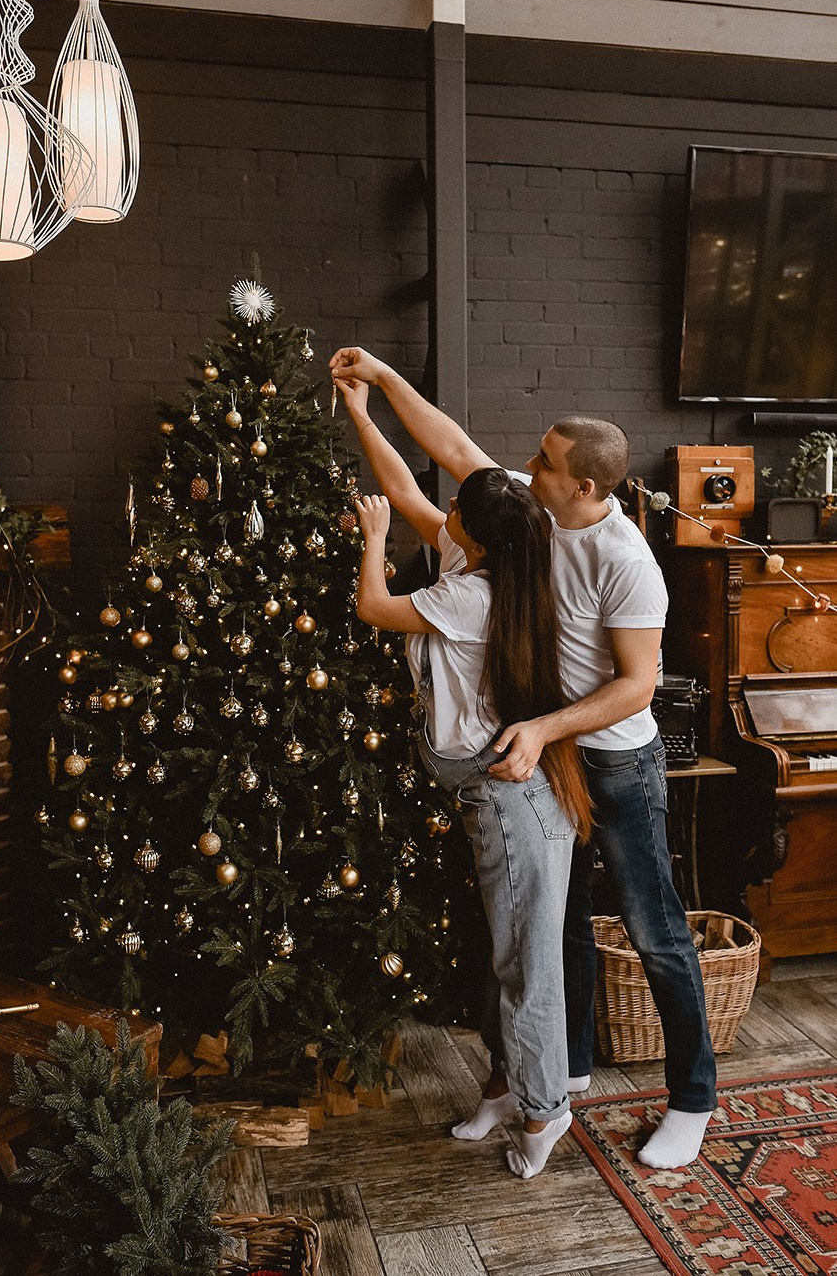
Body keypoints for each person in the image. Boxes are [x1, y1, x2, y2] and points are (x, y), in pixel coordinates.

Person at [329, 348, 718, 1171]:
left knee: (654, 933)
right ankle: (558, 1073)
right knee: (553, 925)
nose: (526, 463)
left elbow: (638, 686)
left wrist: (543, 726)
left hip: (612, 759)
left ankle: (691, 1099)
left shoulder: (627, 562)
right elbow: (448, 453)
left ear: (585, 486)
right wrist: (382, 382)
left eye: (544, 459)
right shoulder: (527, 518)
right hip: (542, 756)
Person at [340, 375, 591, 1179]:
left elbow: (375, 607)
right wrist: (358, 409)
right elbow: (408, 484)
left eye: (453, 512)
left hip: (508, 804)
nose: (437, 512)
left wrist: (373, 538)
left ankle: (545, 1111)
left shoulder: (465, 595)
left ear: (470, 539)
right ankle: (510, 1089)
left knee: (527, 967)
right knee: (505, 961)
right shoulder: (496, 562)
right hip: (497, 798)